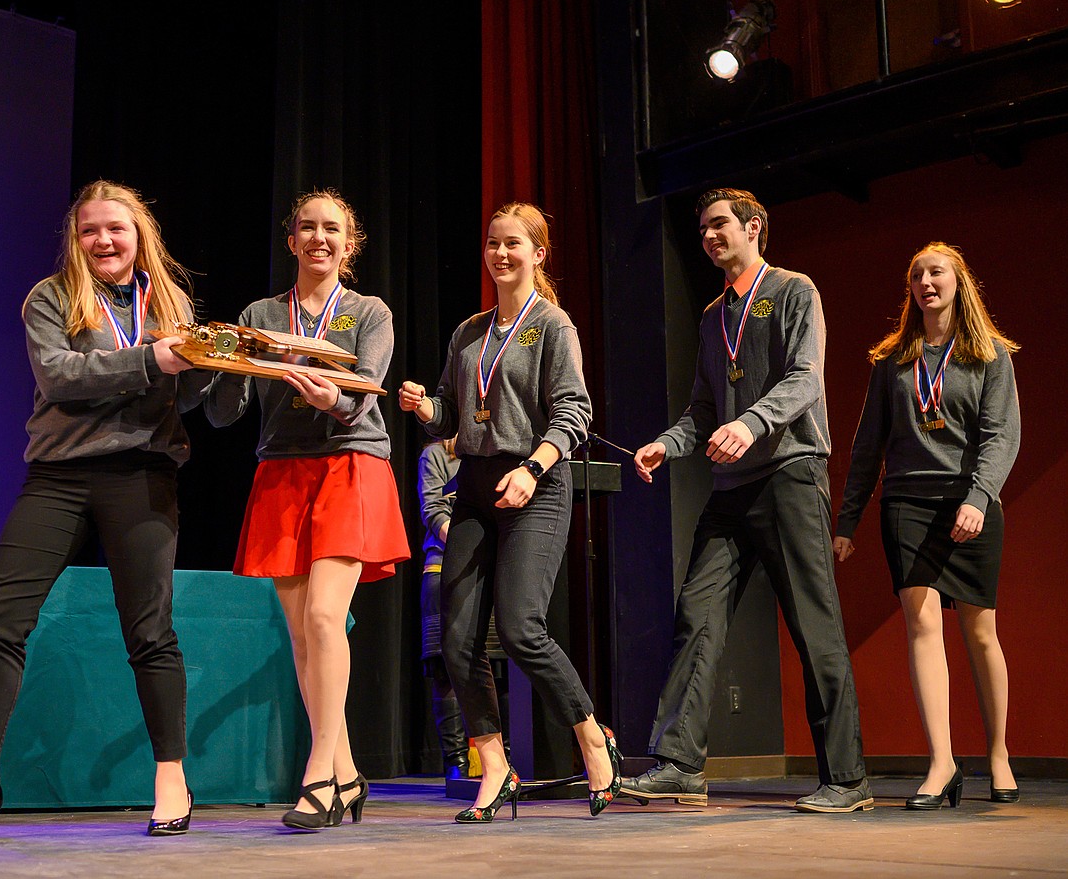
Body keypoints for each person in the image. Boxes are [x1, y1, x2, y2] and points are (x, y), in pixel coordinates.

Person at [0, 180, 202, 837]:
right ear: (76, 237)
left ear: (138, 231)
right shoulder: (52, 297)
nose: (103, 240)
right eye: (89, 229)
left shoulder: (171, 303)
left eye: (115, 228)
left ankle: (172, 779)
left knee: (150, 631)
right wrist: (155, 358)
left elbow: (200, 397)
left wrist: (223, 363)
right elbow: (61, 377)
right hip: (59, 477)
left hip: (143, 476)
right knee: (0, 617)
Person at [624, 188, 870, 813]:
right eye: (703, 227)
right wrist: (667, 445)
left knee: (813, 624)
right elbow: (705, 411)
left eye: (720, 224)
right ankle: (680, 762)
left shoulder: (793, 291)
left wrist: (753, 424)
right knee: (697, 614)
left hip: (789, 472)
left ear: (755, 226)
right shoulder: (712, 318)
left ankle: (847, 778)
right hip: (732, 488)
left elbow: (805, 378)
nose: (709, 236)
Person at [398, 201, 619, 823]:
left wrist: (534, 468)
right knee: (460, 638)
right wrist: (425, 409)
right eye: (492, 243)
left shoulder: (553, 326)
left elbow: (574, 413)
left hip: (536, 484)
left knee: (521, 628)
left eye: (513, 244)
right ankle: (495, 767)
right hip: (475, 485)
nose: (500, 254)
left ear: (538, 253)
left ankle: (591, 739)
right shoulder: (469, 332)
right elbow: (451, 411)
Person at [204, 189, 409, 830]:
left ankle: (319, 772)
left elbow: (365, 395)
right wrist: (234, 361)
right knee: (301, 634)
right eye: (307, 228)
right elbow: (221, 412)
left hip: (351, 462)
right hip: (282, 470)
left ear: (350, 245)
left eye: (333, 229)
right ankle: (345, 773)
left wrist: (330, 401)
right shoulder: (261, 312)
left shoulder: (370, 312)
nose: (320, 238)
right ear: (290, 240)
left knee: (326, 615)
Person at [834, 242, 1020, 810]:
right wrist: (848, 518)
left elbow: (1001, 436)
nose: (925, 281)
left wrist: (980, 497)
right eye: (916, 275)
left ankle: (997, 753)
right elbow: (868, 444)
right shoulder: (893, 359)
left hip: (969, 504)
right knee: (921, 627)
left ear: (959, 282)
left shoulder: (988, 355)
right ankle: (941, 761)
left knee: (980, 631)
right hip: (906, 505)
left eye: (936, 272)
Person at [417, 436, 510, 779]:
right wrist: (465, 548)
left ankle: (499, 757)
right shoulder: (436, 455)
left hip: (494, 565)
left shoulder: (497, 449)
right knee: (446, 667)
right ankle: (456, 762)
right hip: (445, 567)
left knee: (496, 663)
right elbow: (433, 510)